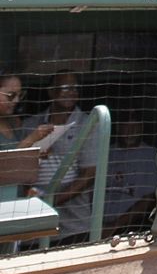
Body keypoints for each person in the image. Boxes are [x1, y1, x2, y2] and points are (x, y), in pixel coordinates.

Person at [28, 71, 103, 245]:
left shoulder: (88, 124)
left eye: (76, 88)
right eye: (66, 87)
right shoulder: (31, 124)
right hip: (34, 225)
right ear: (51, 91)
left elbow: (89, 175)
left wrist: (49, 201)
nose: (72, 92)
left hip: (73, 225)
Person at [0, 73, 51, 151]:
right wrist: (32, 139)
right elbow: (6, 161)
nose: (16, 100)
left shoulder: (14, 121)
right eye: (11, 95)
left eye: (20, 95)